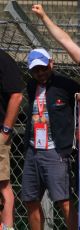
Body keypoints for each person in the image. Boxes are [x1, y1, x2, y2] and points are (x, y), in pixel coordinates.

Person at [21, 48, 80, 230]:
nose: (40, 73)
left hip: (56, 151)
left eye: (43, 68)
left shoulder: (67, 85)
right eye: (35, 70)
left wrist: (77, 131)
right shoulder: (31, 86)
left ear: (51, 63)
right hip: (33, 150)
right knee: (30, 200)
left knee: (63, 200)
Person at [0, 49, 24, 230]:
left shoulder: (3, 58)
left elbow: (17, 95)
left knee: (2, 185)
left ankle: (7, 228)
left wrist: (5, 131)